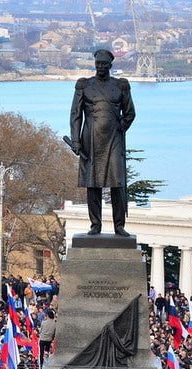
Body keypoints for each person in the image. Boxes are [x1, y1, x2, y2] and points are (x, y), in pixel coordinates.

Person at [68, 48, 136, 236]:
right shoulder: (84, 85)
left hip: (114, 140)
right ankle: (95, 224)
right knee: (93, 184)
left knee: (117, 183)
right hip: (90, 139)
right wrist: (76, 140)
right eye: (98, 64)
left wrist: (120, 127)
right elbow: (76, 114)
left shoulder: (121, 85)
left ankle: (119, 225)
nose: (101, 67)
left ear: (110, 65)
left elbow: (130, 113)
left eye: (104, 64)